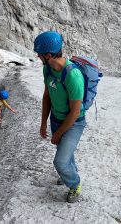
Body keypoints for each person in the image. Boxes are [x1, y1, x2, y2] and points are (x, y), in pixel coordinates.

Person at [34, 31, 86, 203]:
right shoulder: (47, 70)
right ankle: (67, 175)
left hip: (74, 123)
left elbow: (75, 112)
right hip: (56, 119)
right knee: (65, 153)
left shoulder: (73, 76)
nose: (37, 56)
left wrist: (57, 134)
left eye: (39, 54)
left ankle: (75, 183)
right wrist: (43, 124)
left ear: (48, 55)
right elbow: (47, 96)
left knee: (60, 162)